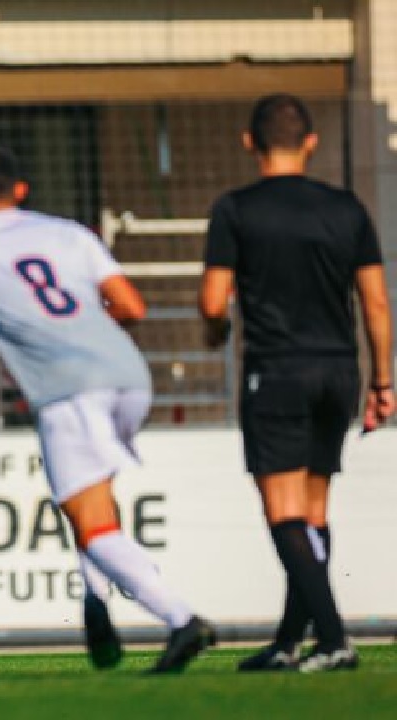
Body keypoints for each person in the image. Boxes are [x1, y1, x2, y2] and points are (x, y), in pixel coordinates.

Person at [0, 144, 214, 673]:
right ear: (21, 188)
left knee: (93, 524)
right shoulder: (69, 232)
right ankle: (95, 605)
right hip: (129, 376)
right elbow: (131, 306)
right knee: (94, 504)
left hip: (71, 391)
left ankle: (181, 619)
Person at [199, 94, 393, 673]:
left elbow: (213, 300)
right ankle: (288, 642)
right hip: (339, 371)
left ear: (249, 143)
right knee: (312, 511)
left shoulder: (235, 210)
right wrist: (384, 379)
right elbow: (376, 302)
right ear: (309, 142)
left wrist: (215, 330)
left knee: (283, 513)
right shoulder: (347, 209)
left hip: (277, 371)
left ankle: (333, 638)